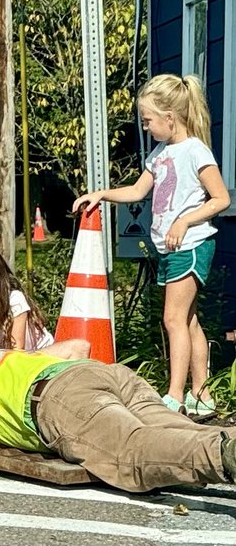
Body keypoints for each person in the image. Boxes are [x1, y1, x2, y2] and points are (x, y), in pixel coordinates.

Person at [73, 73, 230, 417]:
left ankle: (174, 395)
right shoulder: (160, 153)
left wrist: (185, 220)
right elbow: (137, 191)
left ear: (170, 118)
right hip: (171, 250)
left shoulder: (195, 151)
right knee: (188, 321)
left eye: (148, 121)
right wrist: (101, 194)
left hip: (191, 244)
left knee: (172, 319)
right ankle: (201, 394)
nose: (146, 128)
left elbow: (220, 199)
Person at [0, 348, 236, 494]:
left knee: (133, 453)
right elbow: (77, 345)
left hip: (59, 399)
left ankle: (230, 457)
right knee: (183, 433)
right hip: (96, 373)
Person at [0, 245, 89, 359]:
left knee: (80, 346)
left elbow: (17, 351)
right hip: (14, 360)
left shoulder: (14, 300)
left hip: (38, 356)